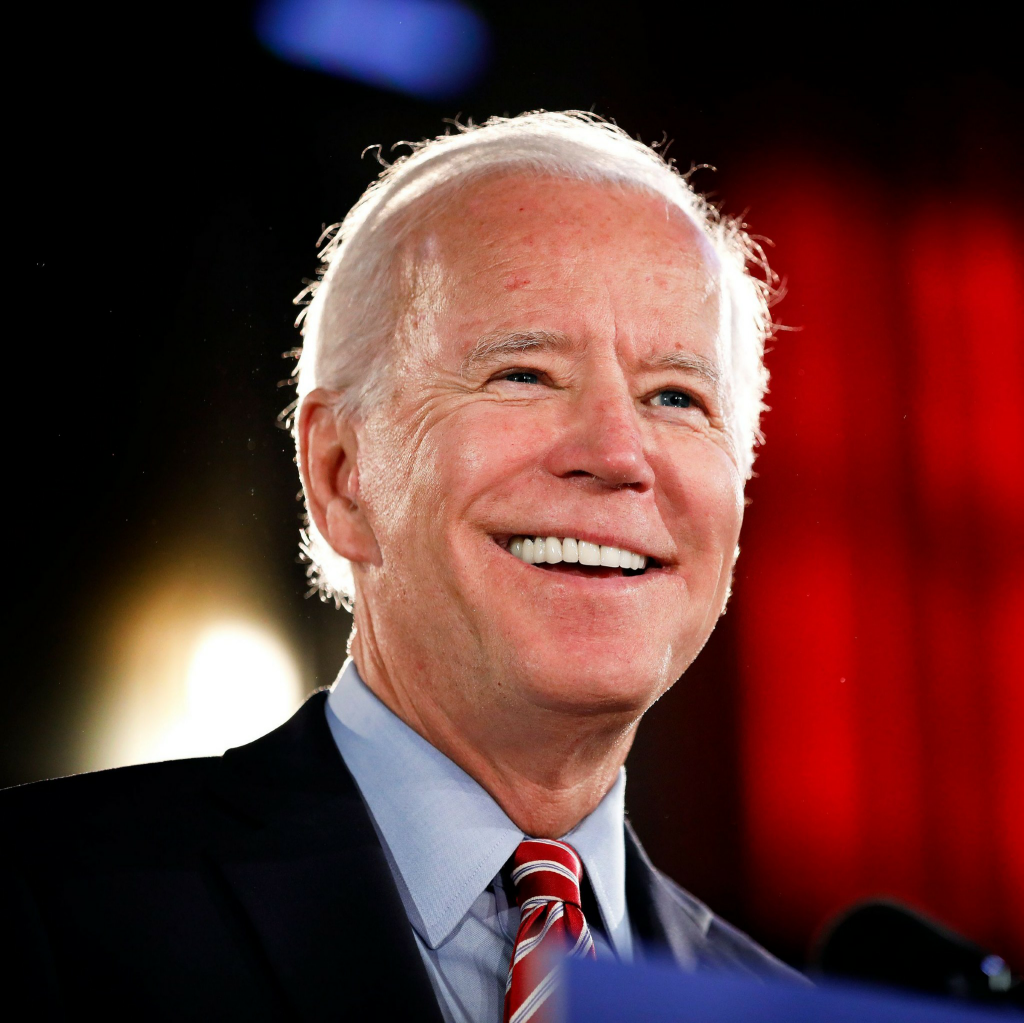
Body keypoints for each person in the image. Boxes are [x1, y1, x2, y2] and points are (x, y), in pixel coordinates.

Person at [2, 111, 802, 1020]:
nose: (619, 452)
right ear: (341, 476)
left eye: (676, 395)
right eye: (524, 374)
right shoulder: (39, 906)